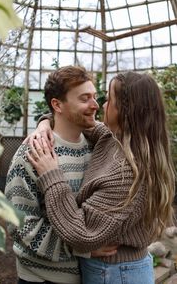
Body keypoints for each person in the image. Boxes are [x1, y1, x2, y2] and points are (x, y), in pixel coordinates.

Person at [27, 71, 176, 284]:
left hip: (116, 273)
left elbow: (82, 233)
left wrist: (51, 175)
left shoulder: (126, 172)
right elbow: (73, 118)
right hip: (116, 270)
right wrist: (44, 123)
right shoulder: (115, 139)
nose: (100, 105)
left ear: (125, 110)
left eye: (108, 99)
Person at [4, 65, 117, 284]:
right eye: (84, 98)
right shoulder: (33, 152)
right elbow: (20, 224)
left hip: (90, 276)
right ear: (57, 104)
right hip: (41, 278)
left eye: (94, 97)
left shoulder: (97, 147)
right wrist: (83, 248)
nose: (95, 105)